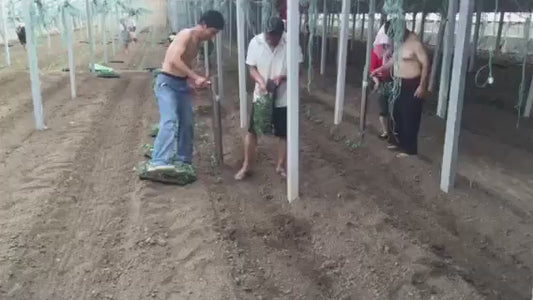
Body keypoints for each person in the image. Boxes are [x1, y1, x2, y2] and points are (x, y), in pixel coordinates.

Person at [146, 10, 224, 178]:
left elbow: (183, 65)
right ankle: (158, 161)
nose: (212, 37)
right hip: (167, 83)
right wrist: (195, 77)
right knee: (170, 120)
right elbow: (174, 60)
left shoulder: (197, 42)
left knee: (187, 121)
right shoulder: (185, 35)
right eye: (212, 32)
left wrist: (189, 83)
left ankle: (183, 160)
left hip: (181, 84)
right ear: (203, 25)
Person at [234, 17, 303, 180]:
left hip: (284, 97)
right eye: (268, 36)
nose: (271, 39)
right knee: (252, 132)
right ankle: (247, 166)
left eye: (274, 36)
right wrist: (261, 81)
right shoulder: (255, 43)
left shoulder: (291, 44)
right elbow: (252, 68)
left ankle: (280, 166)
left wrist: (282, 77)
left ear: (281, 34)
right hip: (262, 96)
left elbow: (299, 71)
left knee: (284, 133)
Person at [372, 20, 429, 157]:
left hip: (413, 85)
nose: (392, 38)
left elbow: (426, 64)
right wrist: (378, 69)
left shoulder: (415, 43)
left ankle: (410, 150)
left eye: (393, 34)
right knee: (397, 114)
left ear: (401, 30)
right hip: (400, 84)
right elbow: (393, 61)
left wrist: (423, 85)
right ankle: (400, 144)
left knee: (410, 117)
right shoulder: (400, 42)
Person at [370, 25, 392, 139]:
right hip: (383, 82)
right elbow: (373, 70)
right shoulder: (376, 52)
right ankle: (386, 131)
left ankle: (393, 133)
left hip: (394, 82)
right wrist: (376, 81)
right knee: (384, 109)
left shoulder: (395, 52)